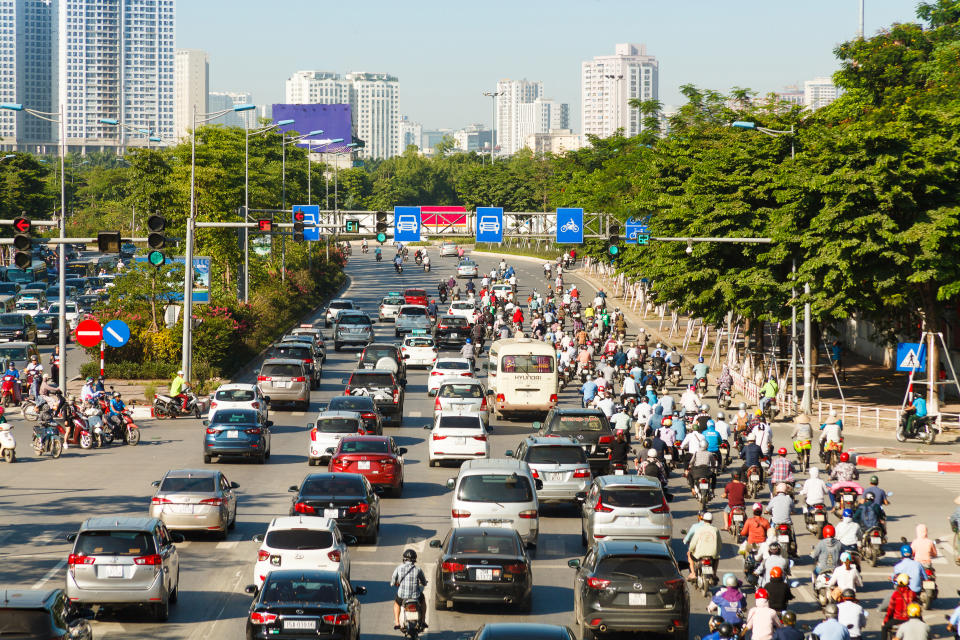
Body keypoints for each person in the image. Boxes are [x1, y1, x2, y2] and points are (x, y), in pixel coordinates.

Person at [391, 549, 428, 630]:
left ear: (404, 559)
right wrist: (424, 583)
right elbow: (424, 582)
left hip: (402, 596)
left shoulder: (399, 568)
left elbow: (393, 580)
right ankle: (423, 621)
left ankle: (397, 623)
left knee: (397, 603)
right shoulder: (418, 569)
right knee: (423, 600)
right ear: (415, 559)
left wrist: (393, 583)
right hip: (415, 596)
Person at [685, 511, 720, 581]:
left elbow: (693, 543)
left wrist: (691, 550)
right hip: (712, 555)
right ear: (711, 520)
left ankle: (693, 574)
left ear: (703, 519)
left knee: (689, 554)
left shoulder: (699, 529)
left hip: (699, 555)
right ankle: (714, 574)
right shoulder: (715, 529)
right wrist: (717, 552)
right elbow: (719, 544)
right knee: (717, 558)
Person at [883, 574, 917, 640]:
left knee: (884, 627)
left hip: (897, 619)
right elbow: (916, 605)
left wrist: (885, 620)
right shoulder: (912, 593)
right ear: (908, 582)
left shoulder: (895, 594)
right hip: (909, 619)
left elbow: (890, 609)